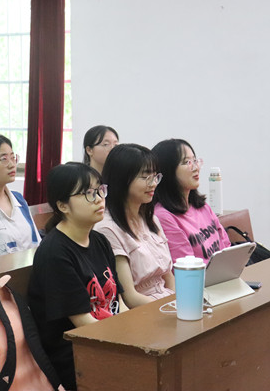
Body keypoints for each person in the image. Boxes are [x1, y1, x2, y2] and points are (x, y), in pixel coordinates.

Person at [27, 162, 127, 390]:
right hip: (77, 357)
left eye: (100, 190)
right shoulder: (55, 253)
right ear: (63, 205)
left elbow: (119, 303)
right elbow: (84, 326)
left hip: (110, 340)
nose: (99, 199)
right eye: (89, 194)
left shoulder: (99, 240)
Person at [94, 144, 175, 308]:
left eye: (155, 176)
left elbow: (168, 277)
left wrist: (179, 302)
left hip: (168, 302)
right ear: (122, 179)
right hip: (144, 310)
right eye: (145, 177)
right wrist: (172, 308)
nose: (153, 183)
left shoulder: (151, 219)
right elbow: (129, 297)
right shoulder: (107, 229)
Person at [152, 139, 231, 264]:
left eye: (195, 161)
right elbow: (186, 266)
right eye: (187, 162)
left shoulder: (202, 206)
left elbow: (226, 245)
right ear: (168, 170)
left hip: (223, 272)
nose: (195, 167)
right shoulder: (163, 216)